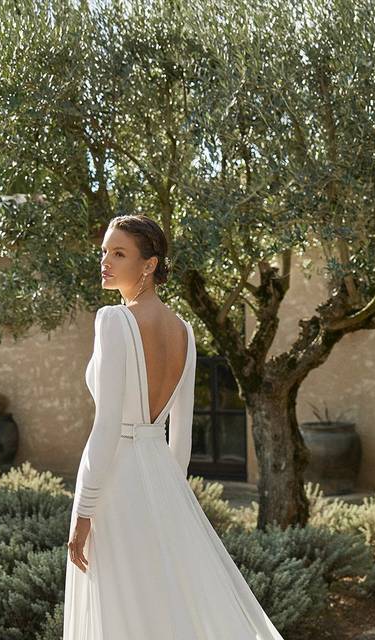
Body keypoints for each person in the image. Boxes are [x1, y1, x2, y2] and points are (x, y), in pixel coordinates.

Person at [63, 215, 284, 639]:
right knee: (159, 605)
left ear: (149, 264)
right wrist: (170, 500)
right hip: (160, 482)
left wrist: (84, 511)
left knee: (121, 611)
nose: (105, 261)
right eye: (104, 252)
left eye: (119, 253)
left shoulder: (112, 320)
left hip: (115, 484)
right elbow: (179, 438)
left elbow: (106, 427)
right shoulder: (184, 331)